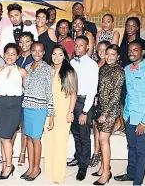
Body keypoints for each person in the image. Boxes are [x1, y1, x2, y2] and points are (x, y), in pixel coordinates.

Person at [114, 41, 145, 185]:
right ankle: (131, 174)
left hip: (142, 120)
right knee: (131, 148)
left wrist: (144, 122)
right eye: (130, 50)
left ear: (143, 52)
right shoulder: (127, 69)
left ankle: (138, 181)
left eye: (136, 50)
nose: (132, 52)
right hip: (129, 117)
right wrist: (124, 116)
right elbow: (127, 94)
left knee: (140, 151)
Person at [20, 42, 55, 181]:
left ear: (44, 52)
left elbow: (49, 92)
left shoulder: (47, 69)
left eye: (40, 51)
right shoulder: (28, 67)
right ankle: (30, 167)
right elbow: (26, 87)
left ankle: (36, 168)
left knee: (36, 139)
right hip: (27, 106)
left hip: (39, 108)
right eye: (34, 50)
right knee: (28, 137)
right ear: (31, 51)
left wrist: (51, 113)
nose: (37, 53)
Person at [44, 44, 78, 183]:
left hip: (63, 112)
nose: (56, 57)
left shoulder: (69, 71)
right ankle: (49, 170)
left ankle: (58, 174)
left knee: (60, 143)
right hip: (49, 111)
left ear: (65, 56)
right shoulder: (49, 70)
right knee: (49, 140)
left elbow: (73, 94)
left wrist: (70, 112)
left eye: (60, 54)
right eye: (54, 54)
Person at [0, 43, 27, 180]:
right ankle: (5, 164)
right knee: (2, 137)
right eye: (8, 53)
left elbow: (27, 88)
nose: (10, 56)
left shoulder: (22, 72)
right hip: (0, 105)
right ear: (4, 54)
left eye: (13, 54)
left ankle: (8, 166)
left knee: (6, 138)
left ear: (17, 56)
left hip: (15, 106)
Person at [68, 36, 99, 181]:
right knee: (75, 133)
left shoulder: (92, 64)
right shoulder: (72, 62)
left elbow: (93, 90)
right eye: (76, 45)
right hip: (73, 101)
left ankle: (83, 166)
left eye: (81, 45)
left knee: (84, 135)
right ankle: (78, 157)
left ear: (87, 47)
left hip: (84, 102)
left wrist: (85, 111)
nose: (78, 47)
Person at [92, 44, 124, 185]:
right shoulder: (103, 69)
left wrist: (105, 113)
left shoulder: (119, 72)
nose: (109, 57)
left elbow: (116, 96)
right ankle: (103, 167)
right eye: (107, 54)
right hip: (100, 108)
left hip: (110, 111)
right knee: (100, 139)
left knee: (104, 140)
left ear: (117, 57)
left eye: (113, 55)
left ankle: (106, 173)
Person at [14, 31, 34, 167]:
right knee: (15, 125)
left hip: (29, 96)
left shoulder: (35, 59)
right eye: (21, 42)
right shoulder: (16, 59)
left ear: (32, 42)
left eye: (27, 41)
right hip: (16, 97)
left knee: (25, 126)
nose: (24, 44)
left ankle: (22, 153)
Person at [90, 40, 111, 168]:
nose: (102, 52)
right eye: (100, 50)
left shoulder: (110, 66)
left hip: (106, 103)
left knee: (103, 132)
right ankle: (96, 153)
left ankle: (103, 162)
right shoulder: (96, 64)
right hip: (95, 99)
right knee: (95, 126)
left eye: (105, 50)